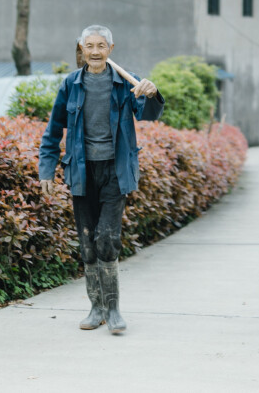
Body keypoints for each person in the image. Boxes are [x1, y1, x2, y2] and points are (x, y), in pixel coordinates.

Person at [38, 25, 164, 335]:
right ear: (81, 48)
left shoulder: (125, 82)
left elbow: (147, 114)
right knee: (87, 242)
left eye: (101, 45)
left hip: (115, 171)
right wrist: (46, 168)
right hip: (81, 172)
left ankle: (114, 309)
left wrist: (152, 94)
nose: (95, 51)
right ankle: (95, 309)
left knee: (107, 238)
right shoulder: (71, 85)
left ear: (110, 48)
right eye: (89, 45)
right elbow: (53, 131)